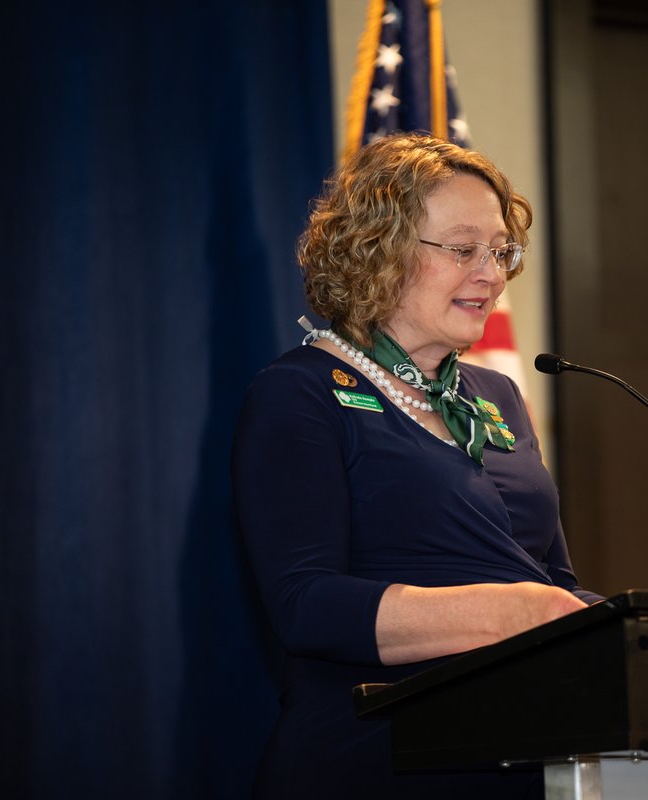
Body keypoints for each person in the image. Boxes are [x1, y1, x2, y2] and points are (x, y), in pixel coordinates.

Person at [232, 133, 601, 799]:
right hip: (374, 761)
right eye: (464, 250)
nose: (491, 273)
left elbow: (554, 584)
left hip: (524, 763)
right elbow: (305, 605)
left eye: (500, 251)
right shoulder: (302, 392)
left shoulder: (498, 398)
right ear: (380, 251)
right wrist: (506, 614)